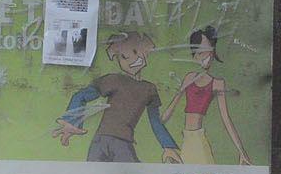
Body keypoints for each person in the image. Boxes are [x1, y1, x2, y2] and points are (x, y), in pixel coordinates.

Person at [51, 31, 184, 164]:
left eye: (136, 52)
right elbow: (82, 95)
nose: (133, 60)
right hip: (101, 141)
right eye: (124, 57)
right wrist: (72, 122)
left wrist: (168, 146)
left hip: (122, 143)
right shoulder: (114, 80)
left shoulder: (149, 89)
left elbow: (155, 121)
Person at [156, 26, 252, 165]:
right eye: (199, 52)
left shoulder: (217, 83)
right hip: (186, 140)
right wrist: (158, 123)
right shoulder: (189, 78)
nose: (204, 56)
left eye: (207, 51)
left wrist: (242, 152)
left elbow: (226, 119)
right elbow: (167, 114)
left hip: (198, 141)